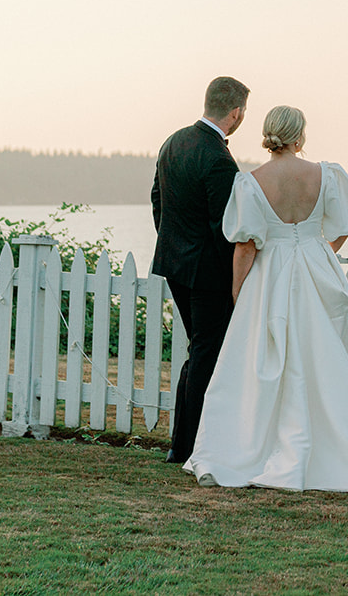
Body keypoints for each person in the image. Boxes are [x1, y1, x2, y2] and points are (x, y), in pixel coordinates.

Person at [184, 105, 348, 491]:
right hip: (316, 266)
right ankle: (345, 451)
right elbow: (346, 224)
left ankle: (243, 451)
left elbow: (246, 244)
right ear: (299, 135)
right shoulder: (326, 175)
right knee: (330, 357)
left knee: (261, 362)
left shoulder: (251, 182)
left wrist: (239, 290)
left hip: (271, 274)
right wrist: (320, 245)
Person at [151, 75, 249, 465]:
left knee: (200, 352)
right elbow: (225, 227)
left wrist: (174, 245)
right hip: (208, 273)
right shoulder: (218, 159)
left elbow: (158, 199)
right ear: (236, 113)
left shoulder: (173, 141)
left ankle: (183, 443)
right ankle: (189, 446)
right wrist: (235, 277)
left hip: (175, 263)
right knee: (206, 355)